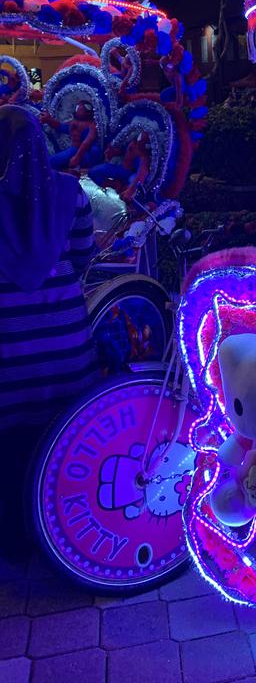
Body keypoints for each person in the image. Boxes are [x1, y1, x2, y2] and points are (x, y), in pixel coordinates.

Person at [0, 106, 98, 550]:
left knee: (8, 451)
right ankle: (61, 537)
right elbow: (81, 258)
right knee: (61, 445)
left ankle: (14, 541)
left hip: (8, 353)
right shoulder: (70, 193)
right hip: (65, 347)